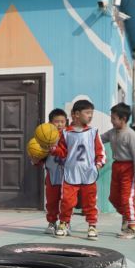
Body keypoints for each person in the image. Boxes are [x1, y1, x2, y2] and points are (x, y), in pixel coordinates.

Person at [51, 99, 105, 239]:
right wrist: (53, 149)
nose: (90, 116)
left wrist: (98, 164)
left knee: (90, 201)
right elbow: (62, 152)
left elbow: (100, 151)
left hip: (88, 173)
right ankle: (64, 223)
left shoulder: (93, 132)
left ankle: (92, 225)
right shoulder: (65, 133)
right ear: (75, 114)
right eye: (87, 113)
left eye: (91, 113)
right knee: (67, 201)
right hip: (71, 173)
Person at [102, 103, 135, 239]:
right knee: (114, 198)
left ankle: (132, 228)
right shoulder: (112, 132)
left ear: (123, 118)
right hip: (117, 167)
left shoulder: (131, 135)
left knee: (126, 198)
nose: (111, 121)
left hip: (129, 169)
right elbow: (99, 139)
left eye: (114, 118)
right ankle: (127, 217)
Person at [34, 109, 68, 235]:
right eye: (56, 121)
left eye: (62, 121)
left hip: (68, 176)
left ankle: (65, 223)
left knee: (66, 201)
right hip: (52, 174)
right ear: (50, 123)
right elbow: (40, 157)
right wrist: (36, 159)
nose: (59, 124)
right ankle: (52, 222)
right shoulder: (44, 138)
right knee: (51, 201)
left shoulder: (69, 137)